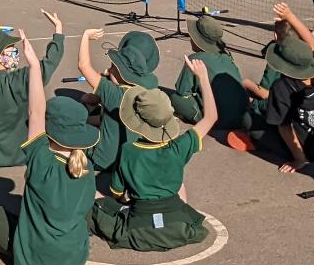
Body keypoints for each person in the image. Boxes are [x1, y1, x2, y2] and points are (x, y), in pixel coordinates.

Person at [0, 33, 99, 265]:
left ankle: (3, 249)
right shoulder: (87, 166)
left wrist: (34, 65)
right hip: (75, 258)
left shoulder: (41, 159)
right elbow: (37, 113)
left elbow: (35, 111)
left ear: (50, 131)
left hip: (34, 262)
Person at [90, 69, 218, 252]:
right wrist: (203, 78)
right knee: (180, 184)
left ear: (137, 121)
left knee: (94, 200)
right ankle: (172, 220)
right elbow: (211, 117)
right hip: (177, 222)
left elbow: (117, 192)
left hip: (138, 225)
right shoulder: (179, 146)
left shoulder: (128, 151)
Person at [228, 4, 314, 174]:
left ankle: (261, 145)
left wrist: (299, 159)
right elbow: (313, 43)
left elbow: (284, 128)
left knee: (249, 120)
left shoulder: (283, 87)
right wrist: (290, 16)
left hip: (307, 152)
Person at [0, 10, 63, 170]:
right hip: (24, 153)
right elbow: (49, 63)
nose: (17, 54)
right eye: (12, 51)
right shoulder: (21, 79)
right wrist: (58, 32)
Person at [173, 13, 246, 133]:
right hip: (240, 118)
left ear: (198, 40)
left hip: (217, 119)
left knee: (176, 98)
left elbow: (182, 91)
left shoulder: (194, 59)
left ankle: (202, 118)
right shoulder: (227, 57)